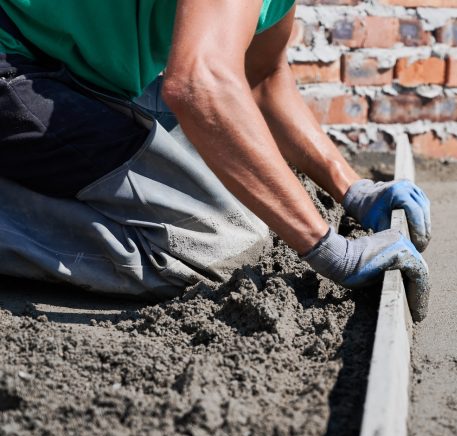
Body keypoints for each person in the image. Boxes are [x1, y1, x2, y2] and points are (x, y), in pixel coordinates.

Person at [0, 0, 431, 320]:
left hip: (62, 66)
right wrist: (332, 251)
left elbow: (262, 77)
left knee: (248, 182)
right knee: (215, 244)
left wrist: (353, 189)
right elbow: (198, 85)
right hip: (15, 61)